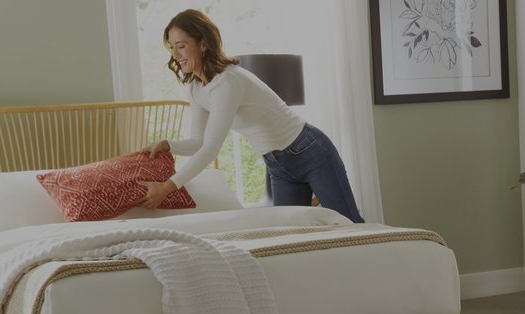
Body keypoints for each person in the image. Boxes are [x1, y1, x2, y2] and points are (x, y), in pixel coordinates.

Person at [140, 9, 364, 223]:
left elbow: (210, 150)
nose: (175, 54)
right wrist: (168, 145)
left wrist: (166, 188)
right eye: (171, 47)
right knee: (293, 235)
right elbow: (198, 142)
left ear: (203, 44)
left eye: (181, 46)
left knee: (348, 223)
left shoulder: (226, 82)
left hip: (309, 151)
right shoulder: (196, 88)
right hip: (277, 165)